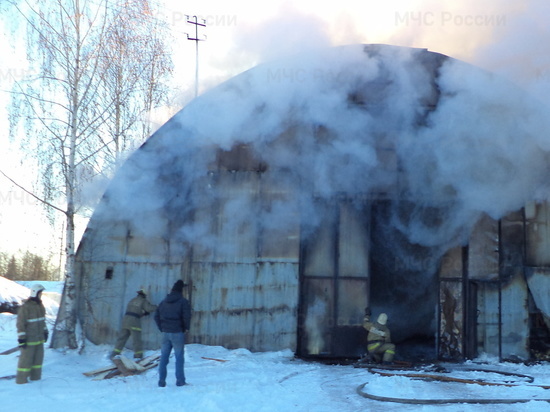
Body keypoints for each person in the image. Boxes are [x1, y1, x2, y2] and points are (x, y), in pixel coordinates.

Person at [154, 280, 192, 387]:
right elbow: (186, 316)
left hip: (165, 333)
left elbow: (156, 316)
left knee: (164, 358)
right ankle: (180, 381)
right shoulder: (183, 301)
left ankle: (161, 381)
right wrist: (185, 328)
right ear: (181, 290)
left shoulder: (163, 302)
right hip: (177, 332)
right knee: (179, 357)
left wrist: (162, 328)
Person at [111, 288, 157, 360]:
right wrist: (157, 307)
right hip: (134, 321)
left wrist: (143, 314)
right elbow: (149, 308)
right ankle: (138, 356)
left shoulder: (132, 300)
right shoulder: (143, 301)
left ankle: (115, 353)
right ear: (144, 295)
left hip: (125, 320)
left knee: (122, 338)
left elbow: (133, 311)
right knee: (136, 339)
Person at [16, 284, 48, 384]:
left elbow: (42, 321)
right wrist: (22, 338)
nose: (41, 295)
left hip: (39, 340)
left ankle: (36, 379)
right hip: (29, 340)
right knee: (25, 362)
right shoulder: (26, 307)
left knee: (38, 362)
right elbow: (20, 324)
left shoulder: (40, 306)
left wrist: (45, 331)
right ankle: (21, 381)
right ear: (35, 293)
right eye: (40, 293)